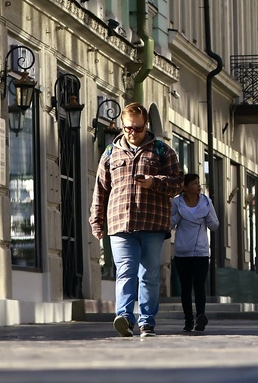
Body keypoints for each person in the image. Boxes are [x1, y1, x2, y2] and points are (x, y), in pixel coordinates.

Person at [89, 103, 183, 337]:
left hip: (152, 223)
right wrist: (96, 221)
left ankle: (147, 321)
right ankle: (124, 318)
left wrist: (154, 182)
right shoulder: (110, 152)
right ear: (123, 125)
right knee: (125, 271)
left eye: (138, 128)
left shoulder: (162, 151)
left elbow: (178, 184)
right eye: (128, 128)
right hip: (120, 223)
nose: (132, 133)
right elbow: (101, 189)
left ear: (146, 126)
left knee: (148, 274)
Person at [170, 173, 219, 332]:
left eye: (198, 183)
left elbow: (215, 225)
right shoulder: (176, 202)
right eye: (194, 183)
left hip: (201, 252)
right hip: (182, 252)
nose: (198, 186)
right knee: (185, 287)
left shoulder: (206, 202)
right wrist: (178, 216)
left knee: (199, 285)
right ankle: (188, 320)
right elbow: (168, 224)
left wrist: (207, 216)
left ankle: (200, 316)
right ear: (185, 187)